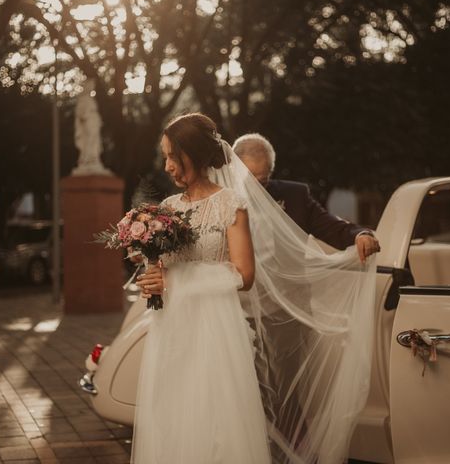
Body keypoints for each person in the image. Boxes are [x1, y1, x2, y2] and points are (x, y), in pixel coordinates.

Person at [135, 113, 378, 464]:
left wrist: (359, 233)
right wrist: (155, 278)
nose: (256, 186)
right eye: (250, 177)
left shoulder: (273, 199)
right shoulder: (172, 208)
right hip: (208, 319)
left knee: (282, 400)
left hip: (276, 316)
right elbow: (166, 263)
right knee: (197, 408)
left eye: (263, 178)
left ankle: (297, 457)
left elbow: (328, 226)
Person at [232, 133, 380, 262]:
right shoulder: (220, 200)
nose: (256, 189)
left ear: (270, 172)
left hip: (289, 291)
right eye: (249, 180)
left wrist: (361, 236)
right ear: (233, 170)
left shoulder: (294, 196)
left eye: (262, 181)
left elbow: (334, 228)